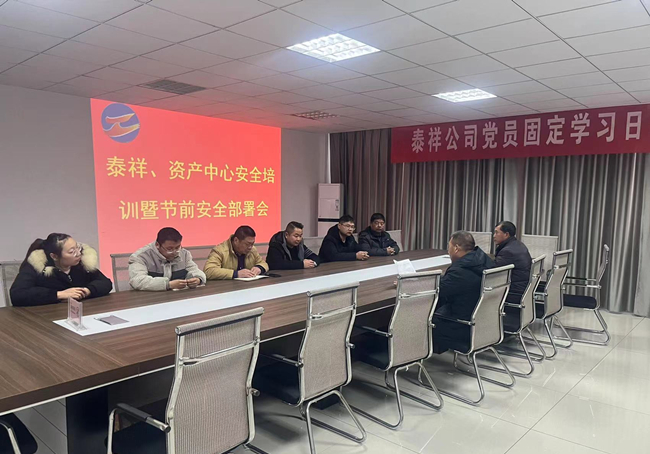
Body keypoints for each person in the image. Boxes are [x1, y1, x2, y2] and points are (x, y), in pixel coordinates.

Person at [10, 233, 112, 307]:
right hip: (45, 317)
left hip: (78, 314)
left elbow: (105, 282)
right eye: (72, 252)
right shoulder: (37, 266)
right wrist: (58, 294)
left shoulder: (81, 264)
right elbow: (17, 294)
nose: (78, 254)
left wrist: (86, 291)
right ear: (54, 256)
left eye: (78, 248)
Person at [433, 231, 494, 352]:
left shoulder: (459, 271)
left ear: (456, 248)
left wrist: (414, 284)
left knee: (421, 318)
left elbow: (437, 292)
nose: (448, 251)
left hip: (461, 325)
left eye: (449, 246)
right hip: (483, 321)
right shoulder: (485, 261)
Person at [128, 227, 206, 291]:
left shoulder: (184, 254)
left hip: (178, 298)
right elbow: (137, 281)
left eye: (177, 247)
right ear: (157, 245)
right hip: (148, 299)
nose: (175, 252)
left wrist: (198, 279)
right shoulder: (140, 257)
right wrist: (168, 284)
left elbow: (195, 270)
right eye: (169, 249)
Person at [204, 225, 268, 280]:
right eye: (247, 244)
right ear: (236, 240)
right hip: (226, 287)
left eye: (252, 244)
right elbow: (209, 271)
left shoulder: (252, 250)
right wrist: (236, 274)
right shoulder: (220, 251)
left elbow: (263, 263)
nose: (250, 247)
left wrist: (259, 268)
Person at [493, 221, 532, 303]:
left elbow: (493, 272)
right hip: (523, 289)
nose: (494, 236)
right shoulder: (518, 244)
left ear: (506, 234)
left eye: (497, 233)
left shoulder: (508, 251)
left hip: (514, 292)